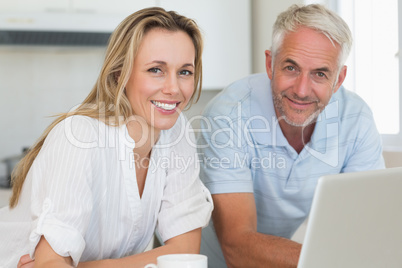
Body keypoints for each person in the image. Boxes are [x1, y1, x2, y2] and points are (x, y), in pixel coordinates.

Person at [0, 7, 213, 268]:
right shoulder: (80, 136)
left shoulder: (177, 132)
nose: (173, 88)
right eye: (156, 70)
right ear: (119, 75)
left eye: (185, 72)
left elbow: (184, 253)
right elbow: (50, 264)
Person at [198, 4, 384, 268]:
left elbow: (365, 226)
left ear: (339, 79)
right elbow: (237, 246)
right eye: (291, 68)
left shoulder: (356, 120)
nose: (301, 89)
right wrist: (337, 258)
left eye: (320, 74)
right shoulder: (229, 115)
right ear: (270, 64)